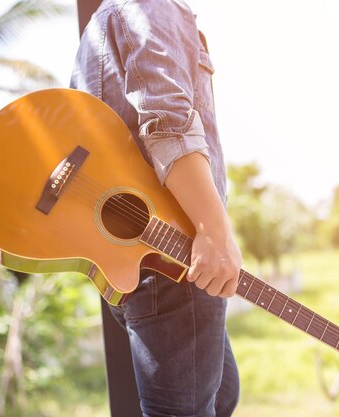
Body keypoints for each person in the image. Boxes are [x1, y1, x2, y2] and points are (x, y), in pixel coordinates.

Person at [70, 1, 241, 416]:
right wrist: (214, 231)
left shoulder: (99, 25)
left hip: (130, 260)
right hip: (174, 254)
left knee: (221, 394)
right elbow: (166, 118)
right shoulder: (151, 4)